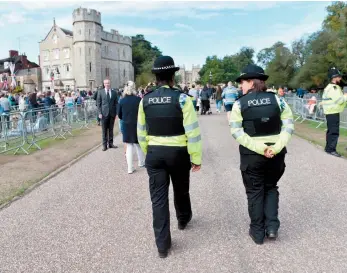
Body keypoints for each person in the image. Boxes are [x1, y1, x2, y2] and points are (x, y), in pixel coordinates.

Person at [137, 55, 202, 258]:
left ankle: (162, 245)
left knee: (158, 200)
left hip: (155, 153)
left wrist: (150, 152)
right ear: (173, 76)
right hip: (178, 153)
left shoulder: (145, 100)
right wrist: (196, 157)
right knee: (181, 190)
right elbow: (192, 132)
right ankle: (183, 219)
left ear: (156, 77)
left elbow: (141, 132)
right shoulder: (182, 99)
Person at [230, 64, 294, 245]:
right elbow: (289, 126)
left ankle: (257, 232)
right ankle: (272, 227)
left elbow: (236, 132)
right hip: (277, 154)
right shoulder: (278, 100)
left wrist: (260, 148)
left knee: (255, 191)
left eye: (242, 82)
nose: (241, 86)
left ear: (251, 82)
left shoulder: (239, 103)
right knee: (271, 187)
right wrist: (275, 147)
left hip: (252, 156)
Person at [319, 67, 347, 157]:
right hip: (333, 112)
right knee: (334, 132)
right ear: (334, 77)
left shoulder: (330, 87)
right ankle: (331, 149)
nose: (340, 78)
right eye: (339, 76)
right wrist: (346, 96)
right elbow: (340, 100)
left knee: (331, 131)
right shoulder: (333, 88)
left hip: (330, 112)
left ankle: (328, 148)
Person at [118, 81, 145, 174]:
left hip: (126, 124)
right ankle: (141, 162)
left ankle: (130, 167)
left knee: (129, 145)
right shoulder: (138, 100)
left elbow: (119, 115)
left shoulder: (122, 100)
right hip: (136, 124)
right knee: (138, 144)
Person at [97, 78, 119, 151]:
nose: (107, 84)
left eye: (108, 83)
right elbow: (98, 103)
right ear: (104, 84)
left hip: (112, 114)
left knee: (111, 129)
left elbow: (116, 103)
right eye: (106, 83)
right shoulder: (100, 92)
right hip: (103, 114)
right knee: (104, 130)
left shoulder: (114, 92)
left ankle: (110, 143)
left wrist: (116, 113)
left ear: (110, 83)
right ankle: (104, 145)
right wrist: (99, 113)